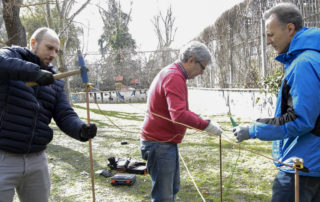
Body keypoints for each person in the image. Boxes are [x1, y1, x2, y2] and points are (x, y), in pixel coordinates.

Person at [233, 3, 320, 202]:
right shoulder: (314, 57)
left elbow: (299, 119)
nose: (267, 41)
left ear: (289, 29)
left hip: (302, 167)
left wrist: (253, 130)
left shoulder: (304, 64)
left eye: (270, 35)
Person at [0, 27, 97, 202]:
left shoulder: (55, 79)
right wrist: (35, 73)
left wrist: (81, 129)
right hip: (3, 158)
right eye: (49, 48)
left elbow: (64, 114)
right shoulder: (11, 56)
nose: (53, 54)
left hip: (37, 160)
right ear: (33, 43)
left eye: (56, 51)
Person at [140, 41, 223, 201]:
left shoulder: (173, 73)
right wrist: (207, 126)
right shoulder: (174, 76)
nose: (202, 72)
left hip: (163, 142)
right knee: (164, 197)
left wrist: (200, 120)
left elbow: (178, 111)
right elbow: (179, 115)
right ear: (191, 60)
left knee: (172, 189)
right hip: (159, 144)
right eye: (202, 67)